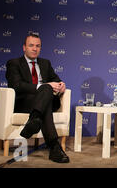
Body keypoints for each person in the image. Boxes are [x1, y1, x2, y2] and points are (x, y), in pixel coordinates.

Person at [5, 33, 69, 163]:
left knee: (46, 92)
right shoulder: (14, 63)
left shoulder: (45, 63)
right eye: (31, 45)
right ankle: (54, 148)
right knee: (45, 91)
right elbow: (16, 85)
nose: (35, 49)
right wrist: (42, 86)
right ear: (24, 47)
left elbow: (56, 79)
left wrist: (62, 85)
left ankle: (34, 119)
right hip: (25, 102)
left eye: (38, 46)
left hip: (46, 100)